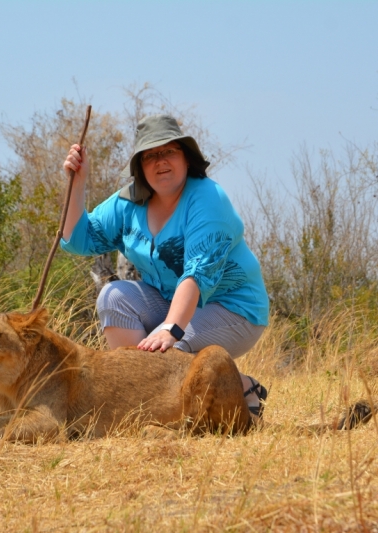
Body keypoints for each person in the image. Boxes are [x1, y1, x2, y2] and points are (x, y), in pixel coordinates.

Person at [60, 115, 270, 417]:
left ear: (186, 158)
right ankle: (145, 403)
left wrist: (170, 330)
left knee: (164, 351)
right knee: (113, 297)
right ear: (140, 167)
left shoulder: (209, 198)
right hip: (174, 304)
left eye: (169, 151)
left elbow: (196, 273)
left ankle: (195, 401)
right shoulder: (128, 203)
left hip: (235, 309)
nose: (161, 162)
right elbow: (78, 238)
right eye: (150, 156)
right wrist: (76, 185)